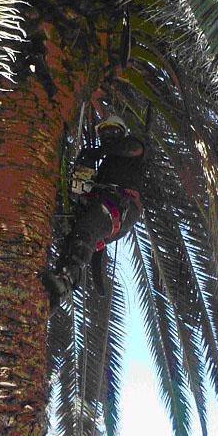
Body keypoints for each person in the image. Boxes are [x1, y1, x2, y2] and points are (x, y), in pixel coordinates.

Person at [41, 115, 145, 313]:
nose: (106, 136)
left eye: (110, 131)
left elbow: (131, 148)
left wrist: (96, 152)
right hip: (104, 205)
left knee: (86, 229)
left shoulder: (134, 147)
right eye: (103, 133)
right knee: (73, 237)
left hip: (120, 206)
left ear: (121, 132)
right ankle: (53, 294)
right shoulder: (106, 164)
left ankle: (66, 280)